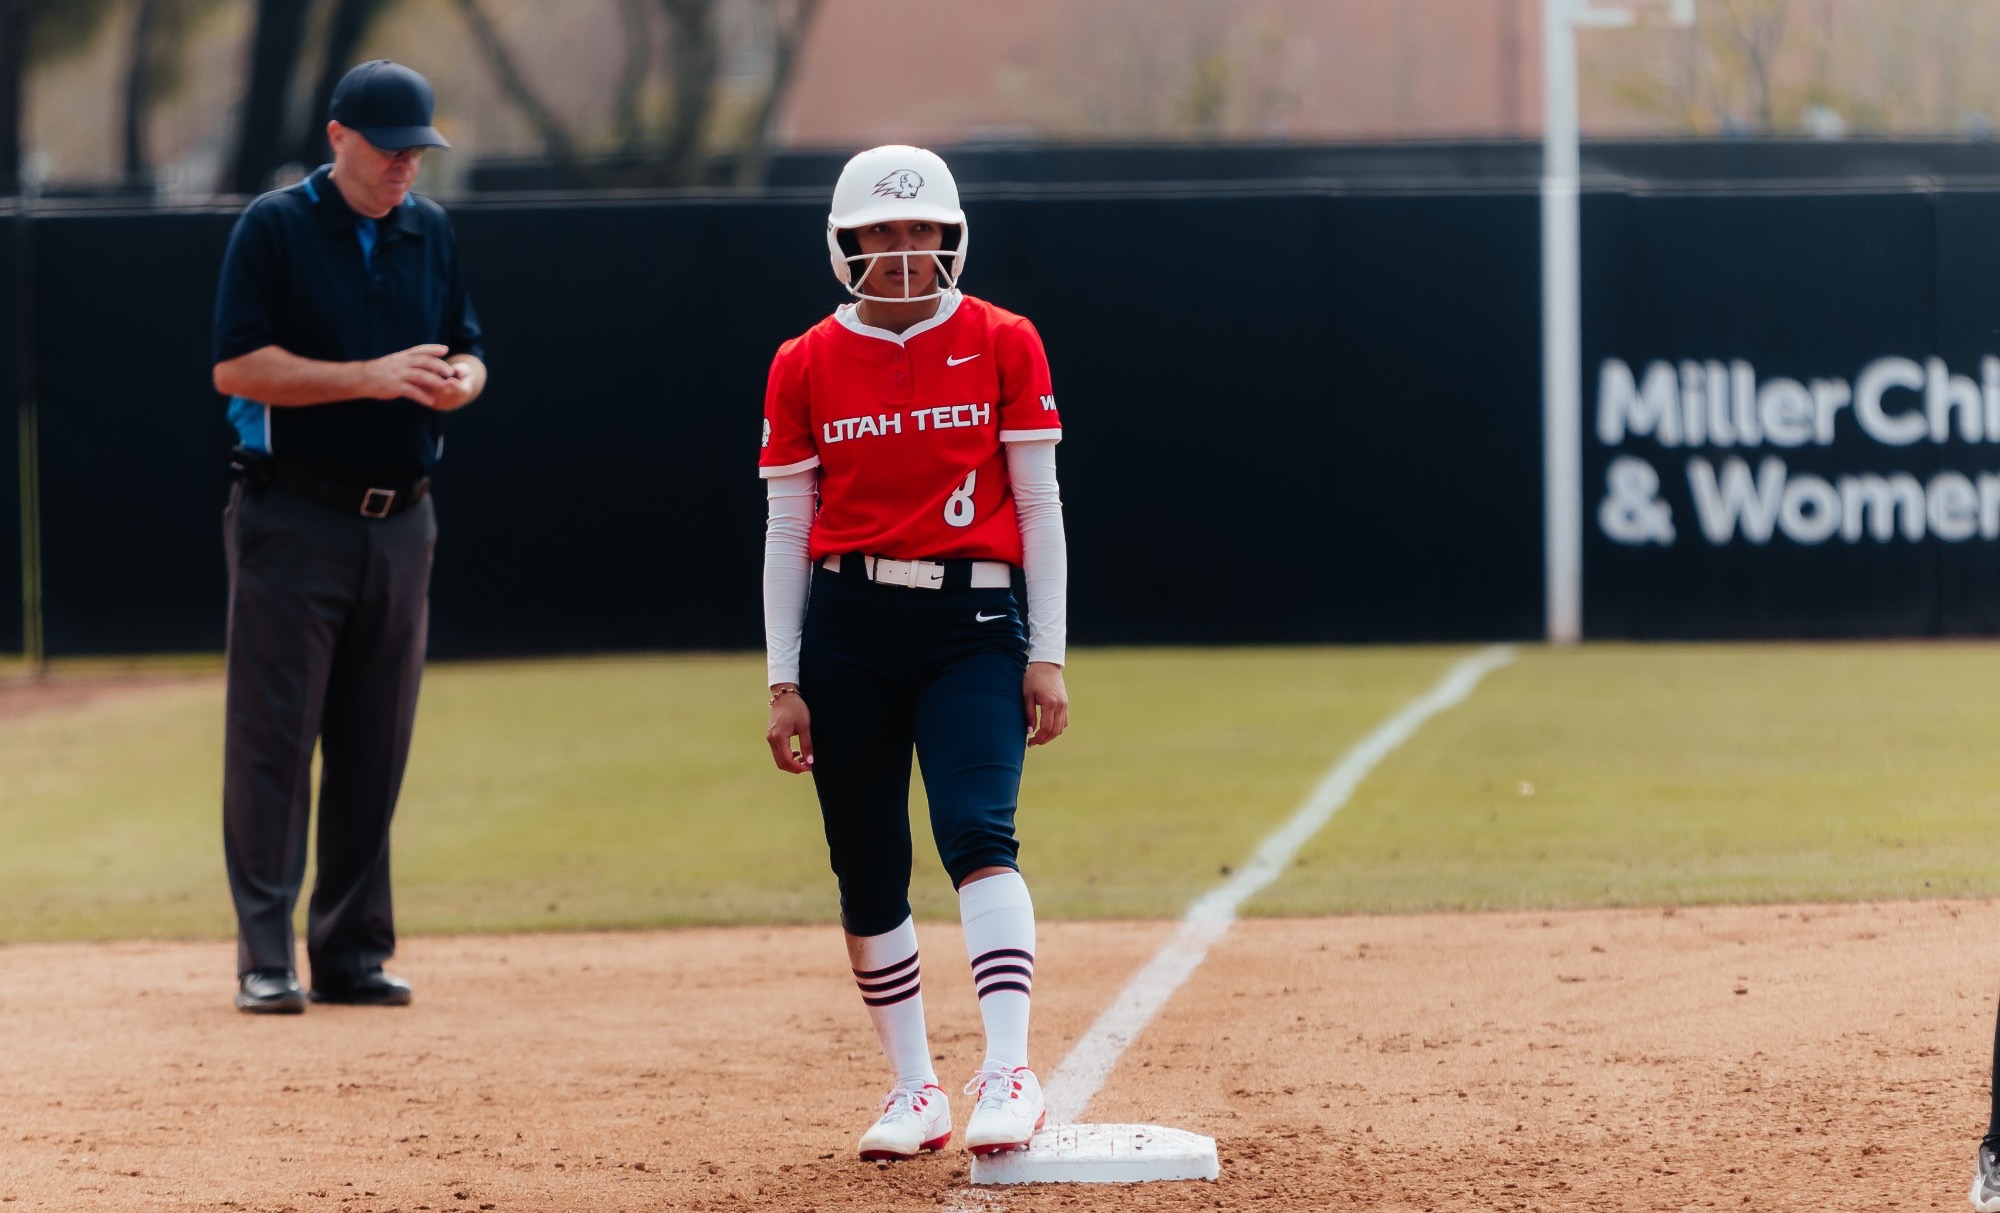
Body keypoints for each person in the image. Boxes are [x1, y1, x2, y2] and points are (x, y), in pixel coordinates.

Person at [760, 144, 1071, 1161]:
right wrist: (783, 676)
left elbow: (1038, 504)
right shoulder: (803, 360)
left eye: (920, 228)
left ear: (951, 235)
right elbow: (786, 527)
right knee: (864, 862)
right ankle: (914, 1088)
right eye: (882, 232)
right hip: (848, 625)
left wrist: (1048, 652)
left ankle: (1010, 1068)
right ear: (845, 243)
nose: (902, 249)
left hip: (969, 623)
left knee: (977, 828)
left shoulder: (1004, 340)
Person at [210, 60, 485, 1014]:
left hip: (404, 519)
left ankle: (352, 949)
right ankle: (266, 955)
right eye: (388, 148)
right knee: (275, 743)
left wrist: (461, 382)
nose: (405, 164)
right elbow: (236, 367)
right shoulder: (275, 226)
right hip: (293, 516)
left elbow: (469, 347)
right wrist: (369, 376)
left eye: (417, 149)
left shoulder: (429, 228)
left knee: (377, 738)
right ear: (338, 138)